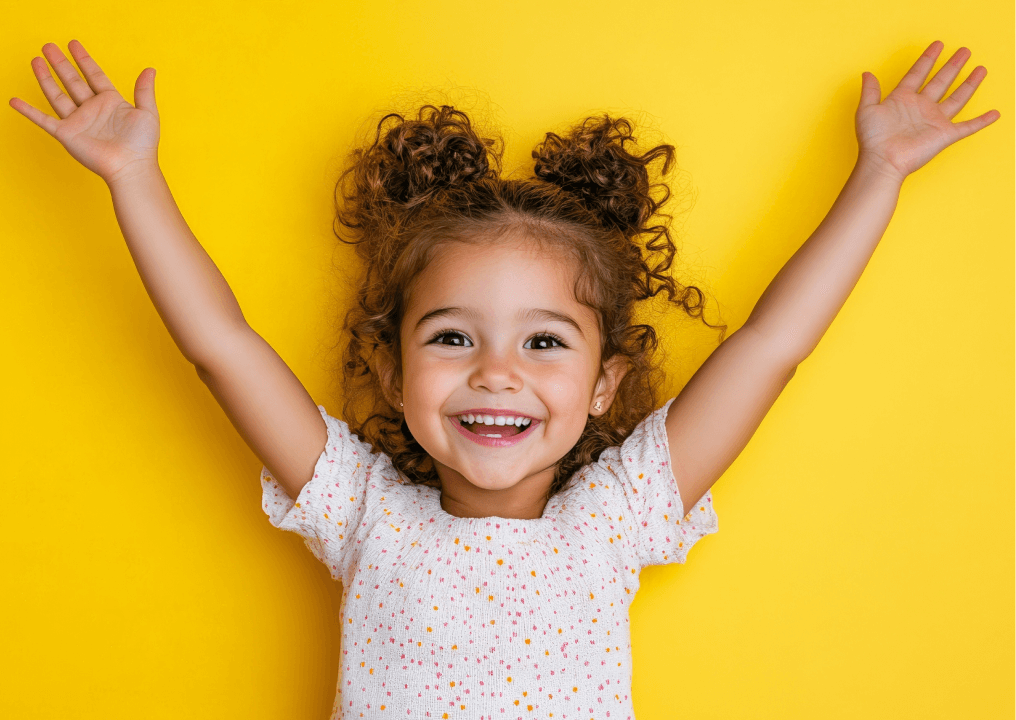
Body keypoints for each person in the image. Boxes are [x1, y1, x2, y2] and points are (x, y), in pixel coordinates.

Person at [10, 38, 999, 719]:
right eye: (449, 339)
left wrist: (878, 174)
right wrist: (133, 177)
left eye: (542, 344)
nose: (495, 372)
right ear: (390, 374)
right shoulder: (361, 511)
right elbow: (220, 345)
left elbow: (770, 349)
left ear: (604, 385)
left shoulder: (615, 517)